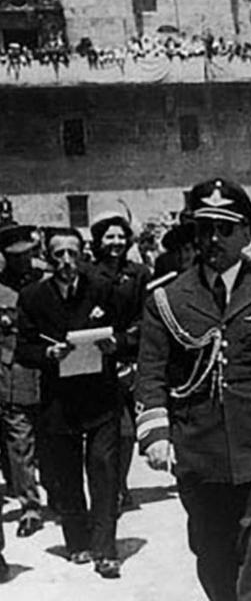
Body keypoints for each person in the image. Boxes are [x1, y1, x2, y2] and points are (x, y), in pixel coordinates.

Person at [135, 178, 251, 601]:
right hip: (200, 451)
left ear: (246, 233)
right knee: (212, 555)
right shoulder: (168, 299)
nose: (213, 239)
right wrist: (157, 434)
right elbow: (151, 372)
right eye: (204, 229)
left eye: (224, 228)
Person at [15, 227, 123, 578]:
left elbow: (127, 330)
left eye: (73, 254)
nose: (66, 262)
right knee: (67, 474)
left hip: (101, 396)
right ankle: (77, 541)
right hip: (59, 401)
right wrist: (48, 352)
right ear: (48, 257)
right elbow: (23, 349)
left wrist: (114, 344)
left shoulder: (102, 289)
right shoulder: (32, 297)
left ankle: (106, 550)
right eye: (59, 254)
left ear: (83, 255)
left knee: (103, 469)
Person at [85, 211, 152, 512]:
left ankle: (119, 485)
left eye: (120, 236)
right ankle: (104, 489)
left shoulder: (138, 273)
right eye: (109, 237)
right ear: (98, 241)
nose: (116, 242)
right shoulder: (87, 274)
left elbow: (144, 317)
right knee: (100, 435)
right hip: (94, 361)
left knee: (126, 433)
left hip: (128, 360)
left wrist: (124, 343)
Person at [0, 224, 45, 538]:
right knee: (20, 440)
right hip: (14, 372)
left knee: (54, 437)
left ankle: (60, 492)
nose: (22, 263)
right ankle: (29, 505)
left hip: (51, 368)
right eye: (14, 258)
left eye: (26, 256)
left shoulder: (49, 280)